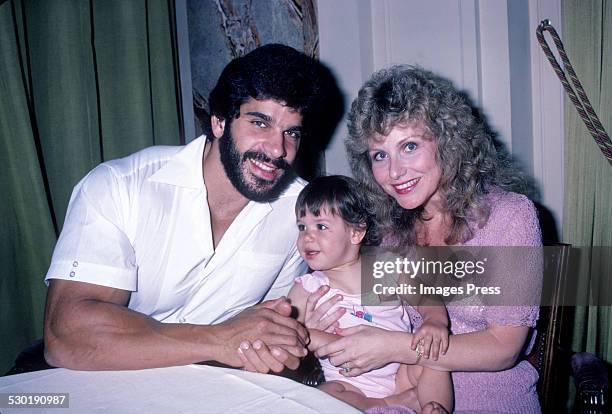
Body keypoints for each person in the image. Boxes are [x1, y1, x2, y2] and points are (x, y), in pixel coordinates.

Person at [43, 44, 327, 373]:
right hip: (108, 380)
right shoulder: (119, 186)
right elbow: (65, 335)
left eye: (291, 132)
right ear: (219, 122)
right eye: (260, 124)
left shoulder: (302, 210)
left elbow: (273, 328)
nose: (278, 150)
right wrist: (219, 340)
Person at [313, 66, 543, 412]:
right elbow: (369, 311)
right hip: (395, 398)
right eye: (380, 155)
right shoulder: (387, 232)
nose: (394, 172)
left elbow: (503, 347)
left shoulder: (510, 217)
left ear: (448, 142)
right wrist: (321, 321)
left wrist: (395, 347)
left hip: (488, 399)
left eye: (409, 146)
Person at [283, 175, 452, 414]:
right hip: (350, 384)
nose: (307, 237)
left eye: (320, 226)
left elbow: (427, 297)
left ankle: (435, 408)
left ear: (356, 232)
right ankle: (387, 405)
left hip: (401, 373)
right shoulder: (309, 286)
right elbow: (289, 334)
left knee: (435, 358)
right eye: (302, 227)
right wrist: (310, 335)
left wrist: (435, 321)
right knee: (323, 395)